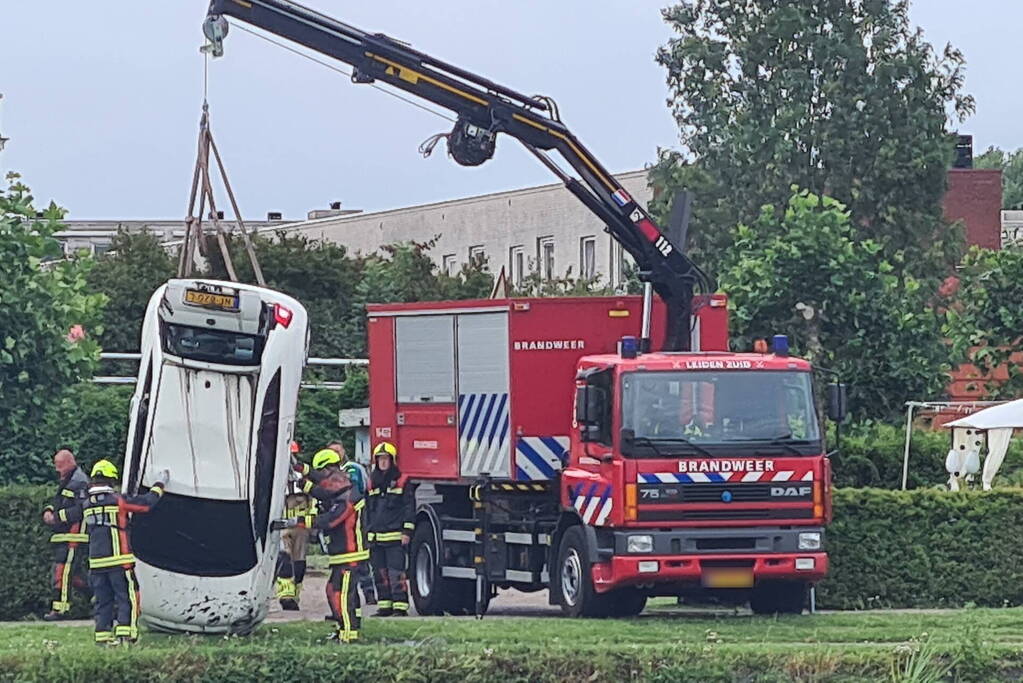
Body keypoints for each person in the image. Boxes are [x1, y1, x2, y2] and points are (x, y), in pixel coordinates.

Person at [63, 460, 168, 645]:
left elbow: (69, 516)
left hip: (96, 563)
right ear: (111, 480)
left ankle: (103, 638)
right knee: (127, 597)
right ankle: (127, 635)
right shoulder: (118, 500)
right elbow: (146, 504)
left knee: (103, 602)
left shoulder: (87, 504)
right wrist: (160, 485)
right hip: (119, 560)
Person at [291, 449, 369, 643]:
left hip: (350, 553)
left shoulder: (347, 496)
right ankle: (345, 628)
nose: (322, 479)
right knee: (336, 591)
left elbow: (331, 520)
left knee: (339, 592)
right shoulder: (340, 488)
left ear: (330, 469)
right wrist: (302, 471)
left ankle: (349, 635)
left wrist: (304, 521)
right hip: (342, 553)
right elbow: (324, 488)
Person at [41, 448, 90, 620]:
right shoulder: (68, 481)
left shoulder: (79, 482)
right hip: (64, 537)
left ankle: (60, 610)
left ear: (69, 462)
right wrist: (49, 510)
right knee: (74, 576)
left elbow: (82, 509)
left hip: (74, 537)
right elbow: (60, 502)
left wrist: (56, 518)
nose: (57, 469)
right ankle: (98, 599)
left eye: (59, 465)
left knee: (63, 572)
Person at [367, 441, 414, 617]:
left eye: (386, 459)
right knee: (379, 573)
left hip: (395, 536)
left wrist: (407, 532)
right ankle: (385, 605)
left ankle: (400, 607)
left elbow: (410, 508)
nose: (383, 462)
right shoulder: (372, 482)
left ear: (393, 460)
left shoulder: (402, 481)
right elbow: (367, 509)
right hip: (376, 537)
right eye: (380, 459)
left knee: (396, 573)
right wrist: (368, 533)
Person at [329, 441, 377, 607]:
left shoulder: (352, 468)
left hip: (357, 518)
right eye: (331, 451)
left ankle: (369, 593)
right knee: (347, 569)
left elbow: (356, 488)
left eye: (337, 450)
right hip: (343, 523)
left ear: (343, 451)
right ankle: (352, 601)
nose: (335, 453)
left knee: (360, 562)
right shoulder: (333, 472)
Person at [276, 441, 315, 611]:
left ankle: (295, 595)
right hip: (282, 526)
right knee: (284, 559)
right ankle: (286, 595)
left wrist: (312, 522)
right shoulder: (275, 477)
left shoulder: (303, 478)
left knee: (299, 562)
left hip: (301, 526)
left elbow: (313, 500)